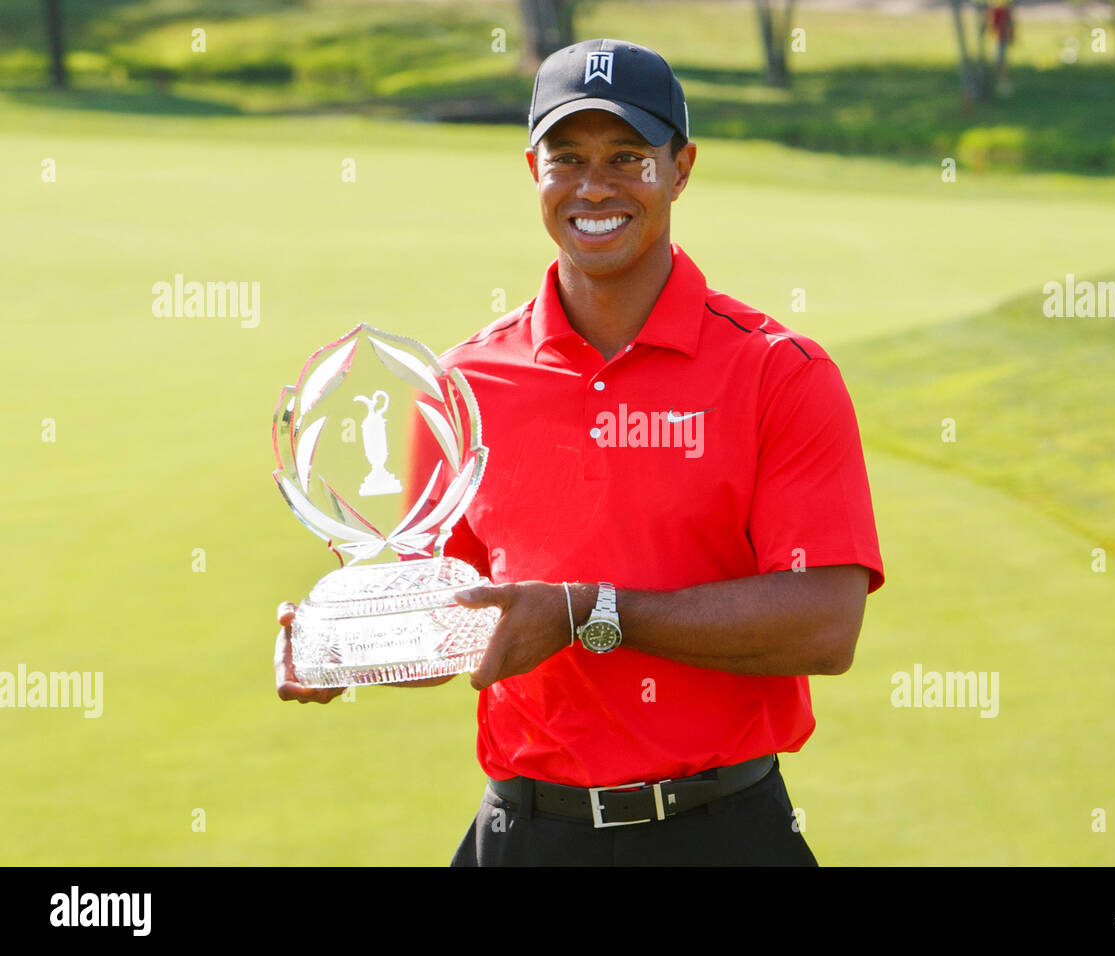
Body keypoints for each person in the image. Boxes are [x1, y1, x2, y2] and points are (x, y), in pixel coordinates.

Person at [275, 38, 885, 867]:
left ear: (682, 167)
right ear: (533, 169)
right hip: (527, 834)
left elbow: (825, 627)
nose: (595, 188)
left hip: (725, 832)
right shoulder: (462, 386)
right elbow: (454, 618)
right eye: (568, 159)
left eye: (628, 157)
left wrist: (588, 613)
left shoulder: (780, 372)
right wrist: (346, 646)